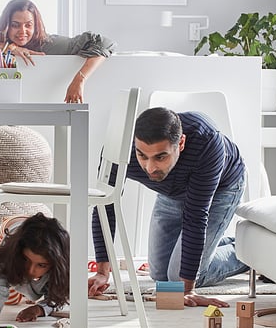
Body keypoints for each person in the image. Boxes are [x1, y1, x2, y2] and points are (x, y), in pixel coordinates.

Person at [88, 107, 249, 308]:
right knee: (159, 274)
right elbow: (105, 205)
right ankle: (214, 246)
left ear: (180, 143)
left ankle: (251, 253)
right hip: (171, 192)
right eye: (142, 155)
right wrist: (102, 272)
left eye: (160, 157)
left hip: (220, 189)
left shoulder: (207, 142)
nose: (150, 168)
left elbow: (195, 218)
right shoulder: (118, 147)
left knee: (177, 279)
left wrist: (187, 290)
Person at [0, 0, 115, 103]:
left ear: (36, 25)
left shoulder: (48, 44)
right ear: (6, 25)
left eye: (28, 25)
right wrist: (8, 48)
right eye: (15, 25)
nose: (22, 31)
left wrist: (79, 80)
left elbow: (105, 43)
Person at [0, 213, 71, 328]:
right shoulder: (9, 254)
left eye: (41, 265)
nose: (31, 270)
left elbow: (57, 300)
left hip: (39, 231)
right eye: (26, 259)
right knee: (12, 299)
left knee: (34, 290)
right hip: (9, 230)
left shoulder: (61, 265)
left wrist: (38, 309)